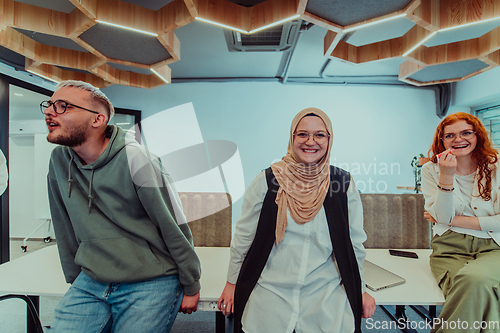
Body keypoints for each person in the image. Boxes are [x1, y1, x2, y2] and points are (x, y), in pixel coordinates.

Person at [43, 80, 201, 333]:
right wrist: (74, 279)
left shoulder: (136, 158)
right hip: (92, 279)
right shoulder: (59, 159)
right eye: (49, 105)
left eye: (63, 106)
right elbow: (63, 224)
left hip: (151, 279)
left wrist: (191, 283)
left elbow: (173, 225)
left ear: (98, 120)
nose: (49, 111)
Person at [217, 108, 376, 333]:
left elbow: (354, 244)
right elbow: (244, 237)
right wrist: (231, 283)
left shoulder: (343, 183)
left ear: (329, 140)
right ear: (292, 138)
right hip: (271, 292)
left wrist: (360, 289)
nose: (310, 141)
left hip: (325, 294)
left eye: (320, 135)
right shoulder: (267, 180)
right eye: (302, 134)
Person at [422, 112, 500, 333]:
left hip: (495, 247)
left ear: (477, 135)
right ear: (442, 141)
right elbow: (443, 219)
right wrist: (446, 176)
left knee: (471, 279)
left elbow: (445, 218)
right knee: (479, 292)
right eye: (450, 135)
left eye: (466, 133)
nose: (458, 139)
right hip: (449, 248)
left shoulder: (497, 166)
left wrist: (454, 220)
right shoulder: (431, 169)